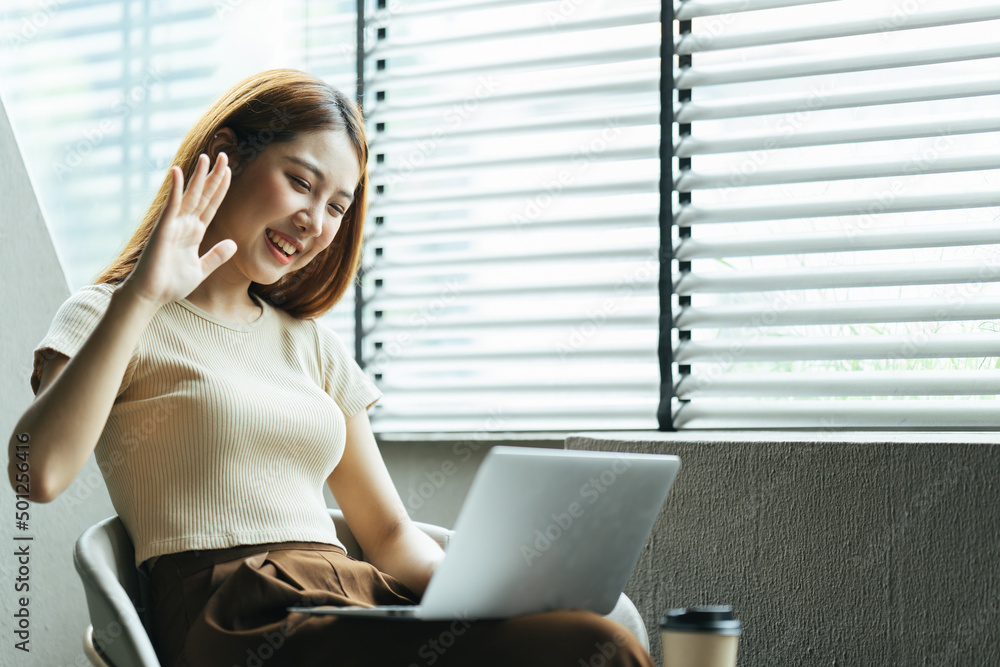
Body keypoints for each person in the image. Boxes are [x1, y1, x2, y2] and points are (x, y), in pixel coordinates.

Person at [8, 69, 655, 667]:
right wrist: (144, 294)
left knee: (593, 635)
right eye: (301, 182)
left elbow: (391, 532)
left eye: (338, 206)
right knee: (594, 646)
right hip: (240, 617)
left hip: (347, 594)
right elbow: (34, 471)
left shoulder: (310, 343)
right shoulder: (113, 311)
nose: (315, 222)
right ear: (227, 155)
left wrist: (494, 591)